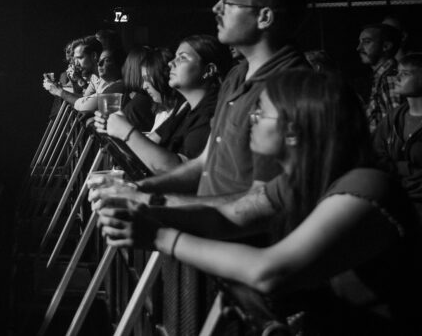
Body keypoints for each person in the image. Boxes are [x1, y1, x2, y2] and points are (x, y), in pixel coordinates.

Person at [95, 70, 419, 335]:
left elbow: (270, 271)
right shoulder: (300, 181)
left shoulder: (364, 185)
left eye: (261, 111)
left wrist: (158, 236)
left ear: (292, 131)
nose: (251, 118)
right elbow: (228, 216)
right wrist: (143, 207)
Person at [131, 0, 309, 205]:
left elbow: (265, 202)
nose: (216, 8)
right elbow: (206, 162)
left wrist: (157, 204)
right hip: (206, 227)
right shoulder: (237, 74)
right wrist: (138, 188)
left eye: (228, 2)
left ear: (265, 17)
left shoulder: (295, 90)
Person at [95, 34, 230, 175]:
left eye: (182, 57)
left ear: (208, 70)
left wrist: (127, 131)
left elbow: (180, 171)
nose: (171, 63)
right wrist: (113, 130)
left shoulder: (213, 113)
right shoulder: (184, 108)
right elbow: (149, 147)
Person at [374, 51, 422, 223]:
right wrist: (408, 169)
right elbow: (376, 156)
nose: (398, 78)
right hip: (399, 204)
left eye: (406, 73)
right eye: (398, 73)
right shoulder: (394, 119)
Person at [358, 22, 406, 133]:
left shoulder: (390, 78)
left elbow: (396, 127)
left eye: (366, 42)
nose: (359, 48)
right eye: (360, 42)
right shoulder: (381, 76)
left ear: (386, 46)